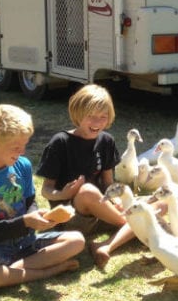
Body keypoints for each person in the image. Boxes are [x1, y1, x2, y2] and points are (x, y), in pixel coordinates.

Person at [0, 103, 85, 290]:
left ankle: (7, 273)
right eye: (16, 147)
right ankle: (44, 272)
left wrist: (38, 216)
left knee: (77, 240)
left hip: (25, 243)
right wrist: (26, 222)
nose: (23, 152)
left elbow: (30, 201)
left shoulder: (23, 165)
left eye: (24, 145)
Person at [37, 84, 137, 269]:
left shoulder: (106, 141)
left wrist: (116, 200)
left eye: (103, 117)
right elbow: (46, 190)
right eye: (91, 116)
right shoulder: (60, 143)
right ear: (78, 113)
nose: (97, 122)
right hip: (73, 217)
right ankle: (133, 226)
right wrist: (64, 194)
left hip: (103, 213)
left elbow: (108, 182)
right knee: (87, 191)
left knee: (159, 203)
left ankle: (104, 245)